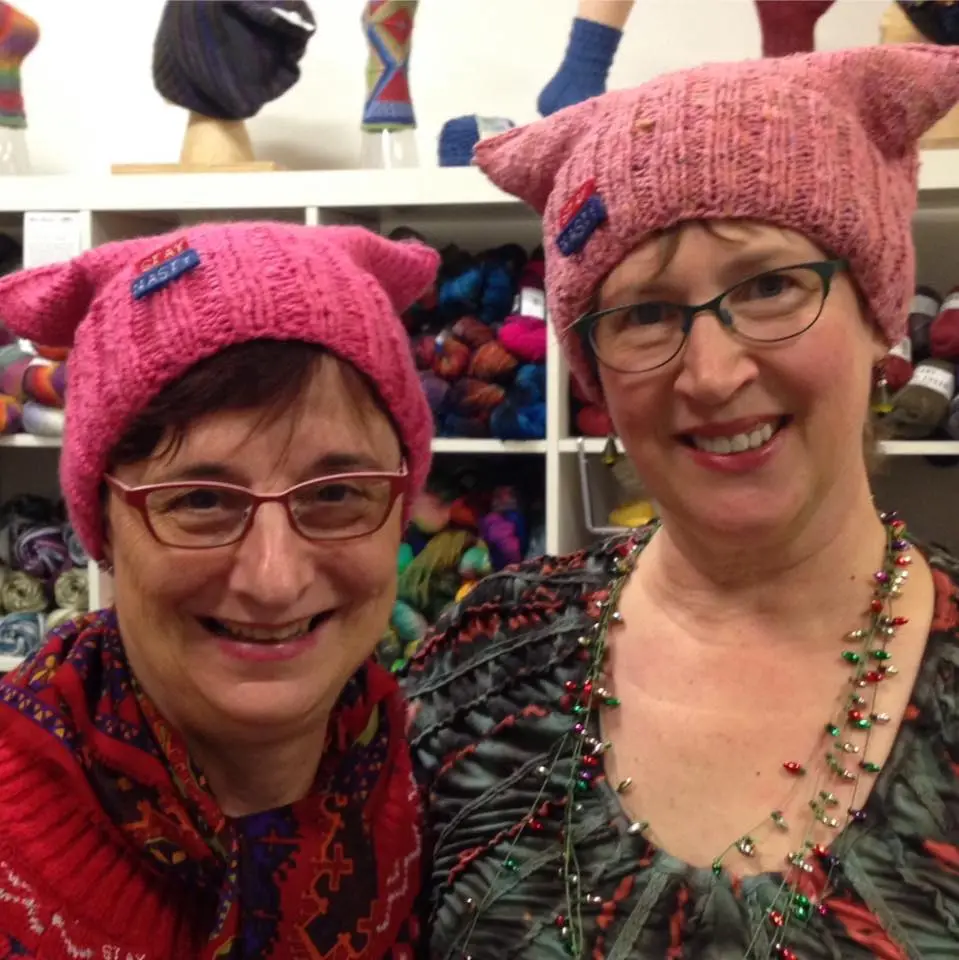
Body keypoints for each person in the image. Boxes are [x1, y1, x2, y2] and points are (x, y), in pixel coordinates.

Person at [405, 44, 959, 959]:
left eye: (771, 286)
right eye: (644, 313)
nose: (711, 373)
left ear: (875, 315)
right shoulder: (480, 668)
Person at [0, 222, 437, 959]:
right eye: (200, 501)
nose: (275, 578)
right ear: (102, 530)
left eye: (336, 494)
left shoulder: (444, 791)